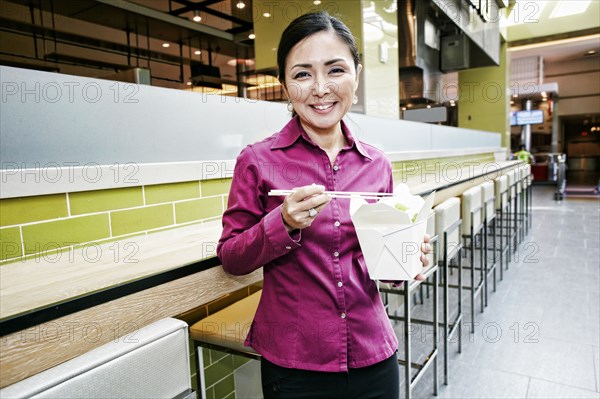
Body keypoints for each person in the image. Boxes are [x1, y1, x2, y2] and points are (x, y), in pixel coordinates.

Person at [217, 11, 431, 399]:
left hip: (372, 353)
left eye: (335, 70)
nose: (319, 88)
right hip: (295, 362)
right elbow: (231, 258)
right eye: (302, 74)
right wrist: (281, 222)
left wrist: (407, 255)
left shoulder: (376, 163)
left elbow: (386, 272)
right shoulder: (257, 160)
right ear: (284, 84)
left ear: (356, 75)